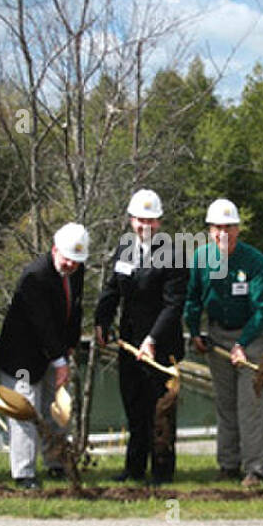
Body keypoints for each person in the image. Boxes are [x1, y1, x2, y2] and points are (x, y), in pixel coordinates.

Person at [94, 190, 188, 484]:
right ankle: (134, 469)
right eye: (138, 219)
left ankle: (161, 472)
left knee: (160, 412)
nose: (144, 225)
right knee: (135, 407)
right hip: (129, 345)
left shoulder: (173, 253)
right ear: (130, 220)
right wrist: (101, 320)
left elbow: (174, 305)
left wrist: (152, 340)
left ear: (158, 222)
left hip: (160, 348)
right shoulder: (124, 249)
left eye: (150, 219)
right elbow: (112, 290)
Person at [184, 198, 263, 487]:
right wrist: (194, 332)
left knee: (252, 403)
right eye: (217, 228)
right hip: (218, 335)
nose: (223, 233)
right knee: (225, 403)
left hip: (253, 335)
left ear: (238, 229)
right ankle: (228, 463)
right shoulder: (200, 259)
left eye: (229, 227)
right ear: (209, 230)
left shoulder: (254, 260)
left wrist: (243, 343)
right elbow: (192, 300)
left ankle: (255, 468)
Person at [0, 223, 87, 489]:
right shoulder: (34, 276)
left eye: (77, 260)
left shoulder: (76, 271)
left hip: (53, 351)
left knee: (56, 409)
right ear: (54, 249)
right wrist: (60, 362)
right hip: (21, 356)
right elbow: (42, 324)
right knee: (25, 410)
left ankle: (56, 463)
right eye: (67, 257)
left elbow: (75, 311)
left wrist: (70, 346)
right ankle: (24, 473)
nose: (71, 264)